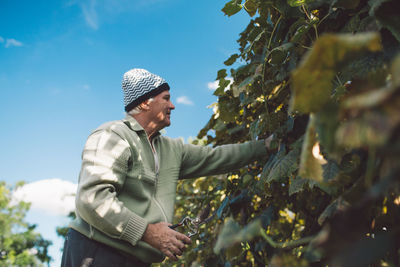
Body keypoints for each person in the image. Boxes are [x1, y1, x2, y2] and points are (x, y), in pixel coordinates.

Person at [61, 68, 273, 266]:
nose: (172, 106)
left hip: (137, 261)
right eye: (166, 99)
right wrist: (149, 232)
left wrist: (265, 146)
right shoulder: (113, 135)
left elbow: (217, 157)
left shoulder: (172, 149)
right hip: (96, 252)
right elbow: (92, 199)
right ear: (145, 103)